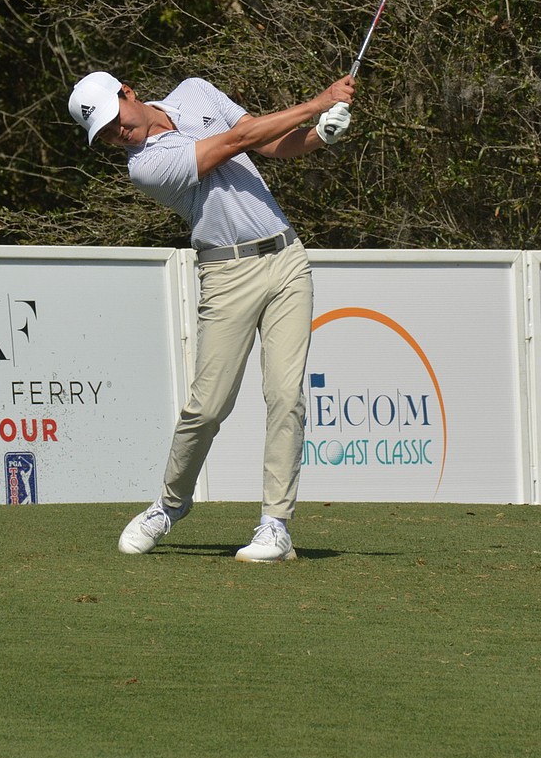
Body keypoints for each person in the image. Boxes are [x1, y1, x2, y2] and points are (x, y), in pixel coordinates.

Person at [68, 67, 355, 561]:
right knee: (207, 406)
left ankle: (275, 526)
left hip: (287, 259)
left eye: (116, 120)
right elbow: (239, 139)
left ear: (128, 93)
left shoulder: (196, 91)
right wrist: (317, 102)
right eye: (106, 135)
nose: (118, 135)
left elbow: (270, 145)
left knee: (286, 395)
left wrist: (317, 136)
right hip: (227, 275)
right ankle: (169, 505)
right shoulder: (146, 166)